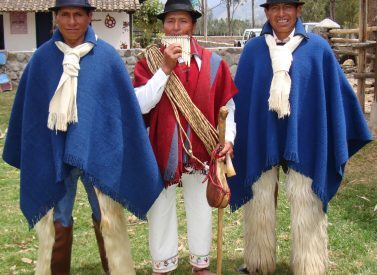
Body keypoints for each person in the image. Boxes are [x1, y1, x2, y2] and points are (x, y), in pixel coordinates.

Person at [2, 0, 163, 274]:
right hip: (55, 156)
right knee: (58, 218)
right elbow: (29, 113)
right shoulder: (42, 59)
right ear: (55, 17)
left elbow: (119, 111)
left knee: (107, 217)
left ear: (90, 17)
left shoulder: (107, 58)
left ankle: (116, 269)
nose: (72, 21)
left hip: (97, 154)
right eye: (64, 14)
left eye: (78, 14)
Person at [229, 0, 373, 274]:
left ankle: (309, 265)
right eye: (274, 8)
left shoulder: (317, 49)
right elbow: (243, 99)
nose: (281, 14)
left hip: (305, 136)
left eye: (287, 7)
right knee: (259, 198)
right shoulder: (253, 51)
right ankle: (259, 262)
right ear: (266, 12)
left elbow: (333, 92)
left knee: (306, 199)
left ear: (298, 11)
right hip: (263, 136)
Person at [133, 0, 238, 274]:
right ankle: (163, 265)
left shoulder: (214, 64)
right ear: (163, 26)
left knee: (201, 206)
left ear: (193, 25)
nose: (176, 27)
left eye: (182, 21)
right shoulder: (149, 62)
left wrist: (229, 140)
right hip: (161, 149)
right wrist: (165, 69)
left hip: (201, 152)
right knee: (160, 210)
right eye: (170, 21)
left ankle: (200, 264)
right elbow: (140, 104)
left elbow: (229, 109)